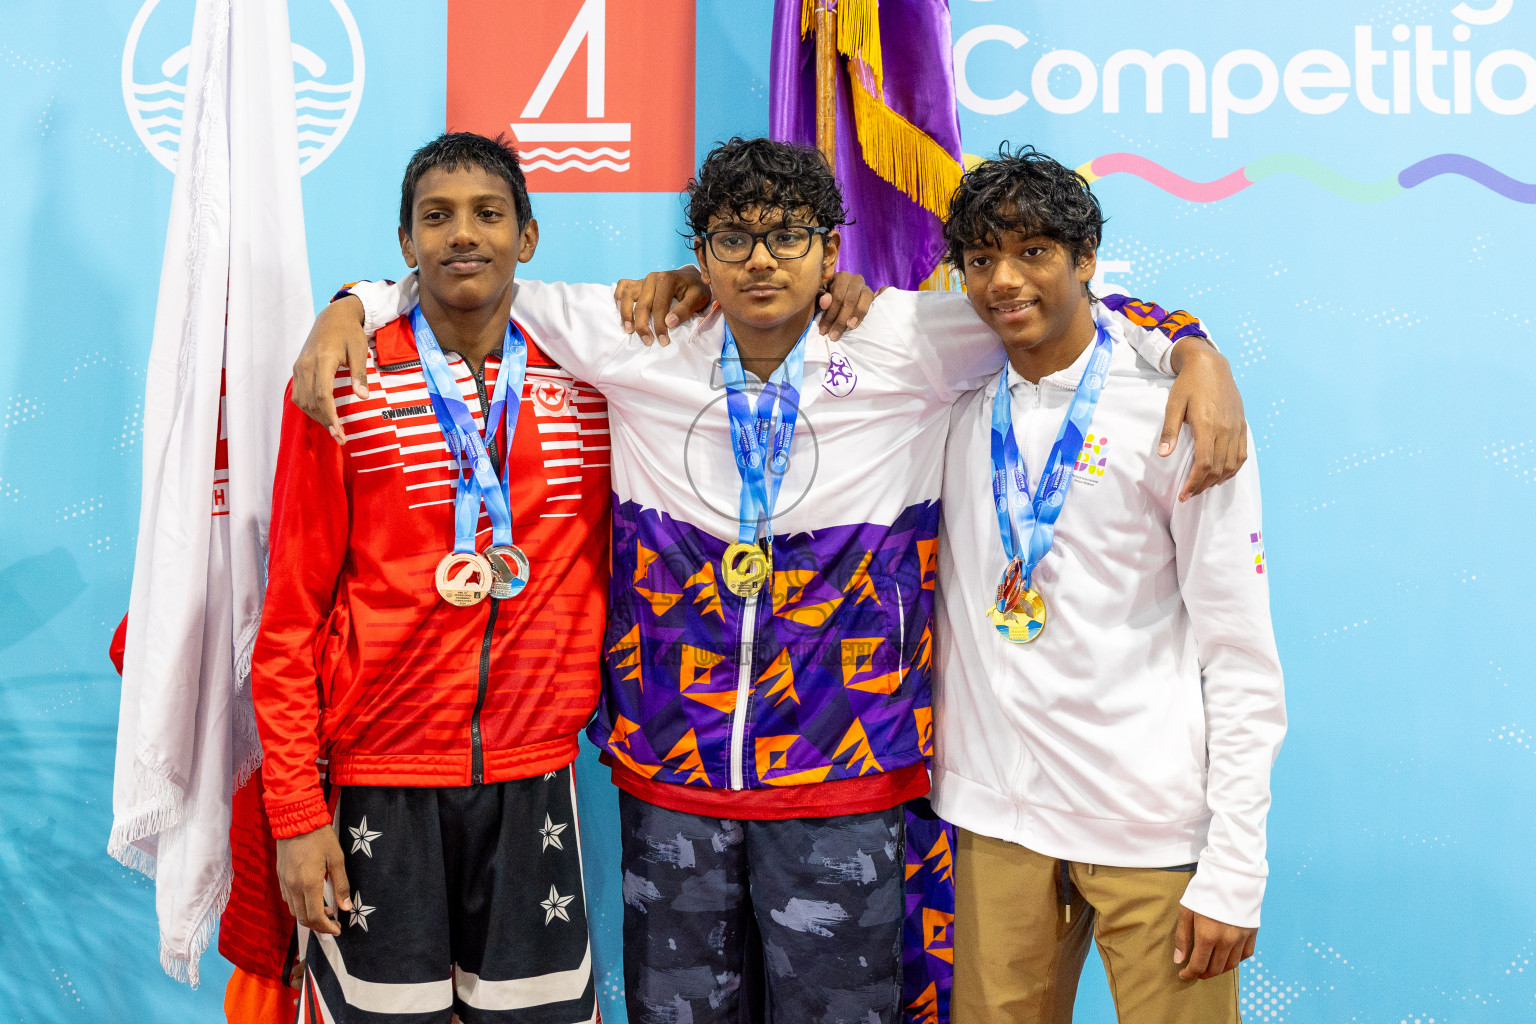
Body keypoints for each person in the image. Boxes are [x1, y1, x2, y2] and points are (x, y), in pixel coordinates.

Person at [298, 136, 1245, 1024]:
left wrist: (1190, 349)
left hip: (847, 782)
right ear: (701, 254)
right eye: (733, 238)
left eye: (789, 236)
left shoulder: (910, 340)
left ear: (831, 250)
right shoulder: (638, 337)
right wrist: (352, 305)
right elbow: (469, 281)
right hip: (673, 780)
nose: (761, 260)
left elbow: (1057, 304)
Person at [252, 132, 611, 1023]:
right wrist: (295, 812)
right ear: (405, 242)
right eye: (437, 216)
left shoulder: (594, 373)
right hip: (380, 781)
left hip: (534, 780)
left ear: (527, 236)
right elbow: (291, 612)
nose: (464, 235)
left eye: (489, 214)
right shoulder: (342, 380)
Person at [930, 146, 1286, 1022]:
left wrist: (1235, 866)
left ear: (1086, 259)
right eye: (981, 259)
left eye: (1034, 253)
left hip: (1148, 828)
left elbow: (1240, 655)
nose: (1004, 281)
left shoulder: (1179, 414)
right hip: (999, 825)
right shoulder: (950, 403)